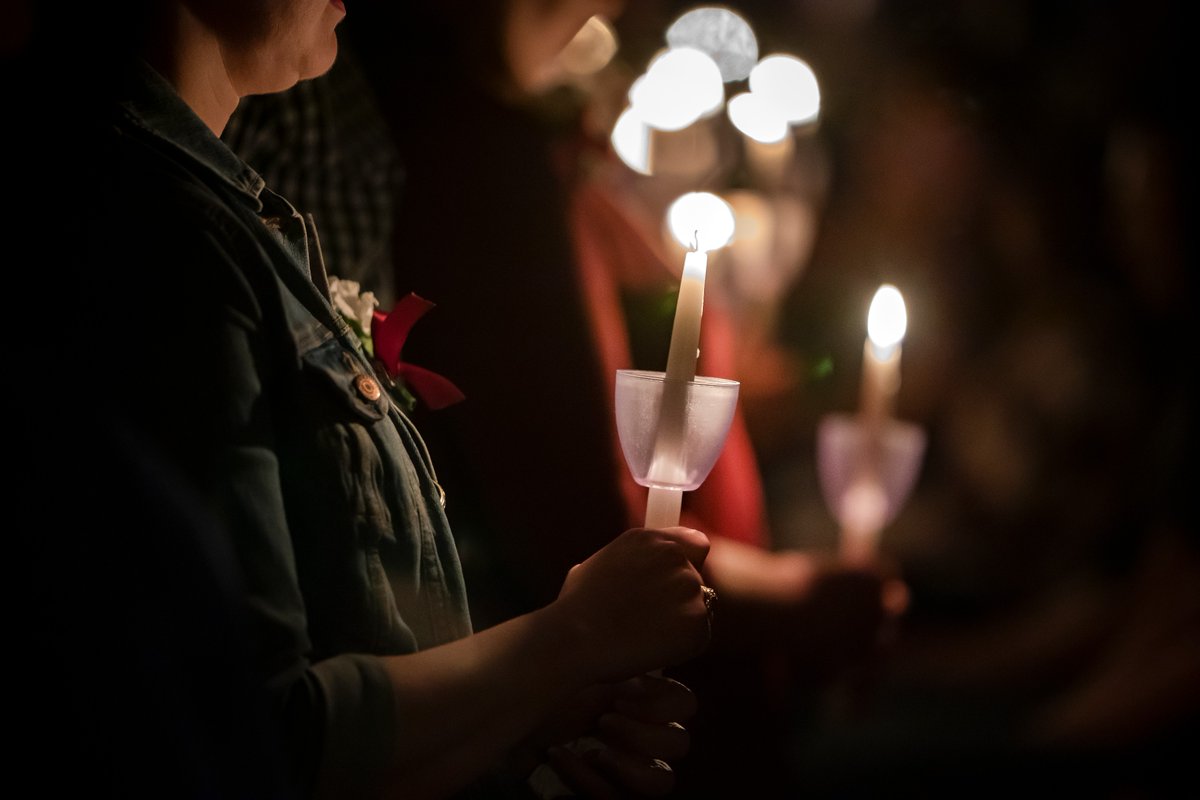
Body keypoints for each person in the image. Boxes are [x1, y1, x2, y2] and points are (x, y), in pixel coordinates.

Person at [24, 2, 718, 798]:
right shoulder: (154, 238)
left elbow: (353, 622)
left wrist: (522, 721)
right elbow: (261, 736)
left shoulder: (227, 215)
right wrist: (566, 640)